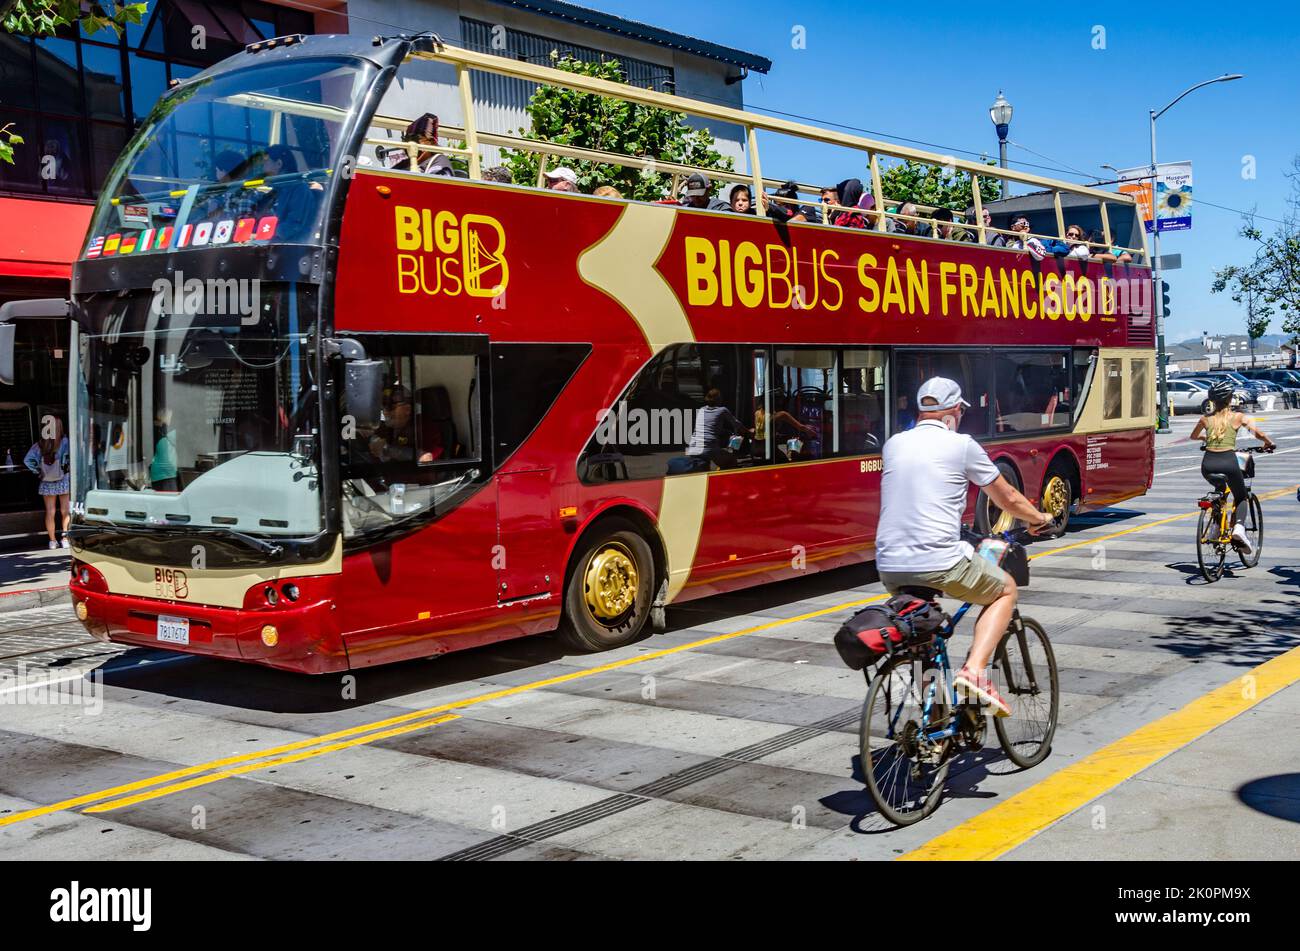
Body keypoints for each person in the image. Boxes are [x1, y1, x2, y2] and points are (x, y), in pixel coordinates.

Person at [874, 378, 1054, 716]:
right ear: (954, 412)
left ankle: (932, 725)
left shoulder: (894, 444)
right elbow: (1008, 497)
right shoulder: (961, 445)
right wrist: (1037, 517)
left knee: (921, 632)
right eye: (959, 410)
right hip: (939, 559)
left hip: (889, 563)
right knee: (1005, 591)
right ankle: (975, 671)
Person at [1191, 380, 1274, 555]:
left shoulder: (1205, 418)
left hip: (1207, 464)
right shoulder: (1237, 417)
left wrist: (1205, 439)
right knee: (1241, 496)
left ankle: (1215, 528)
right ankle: (1238, 529)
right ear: (1230, 399)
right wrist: (1268, 443)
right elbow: (1258, 433)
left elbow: (1193, 436)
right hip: (1228, 462)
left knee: (1220, 494)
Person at [24, 417, 70, 550]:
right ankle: (65, 539)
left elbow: (27, 460)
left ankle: (52, 541)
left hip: (47, 482)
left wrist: (38, 471)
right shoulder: (65, 442)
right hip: (63, 479)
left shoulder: (40, 444)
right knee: (65, 511)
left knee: (50, 511)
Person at [685, 389, 752, 469]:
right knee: (731, 460)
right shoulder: (722, 410)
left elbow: (707, 428)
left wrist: (727, 432)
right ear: (719, 399)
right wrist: (748, 432)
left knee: (706, 465)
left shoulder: (701, 410)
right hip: (708, 448)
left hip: (693, 447)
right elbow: (737, 424)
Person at [390, 113, 456, 176]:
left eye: (415, 139)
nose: (410, 143)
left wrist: (414, 164)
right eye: (406, 139)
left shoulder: (439, 160)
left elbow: (438, 185)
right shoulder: (404, 164)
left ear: (431, 142)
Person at [150, 408, 179, 492]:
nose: (171, 419)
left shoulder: (160, 430)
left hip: (163, 474)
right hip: (166, 474)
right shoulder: (167, 430)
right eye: (169, 416)